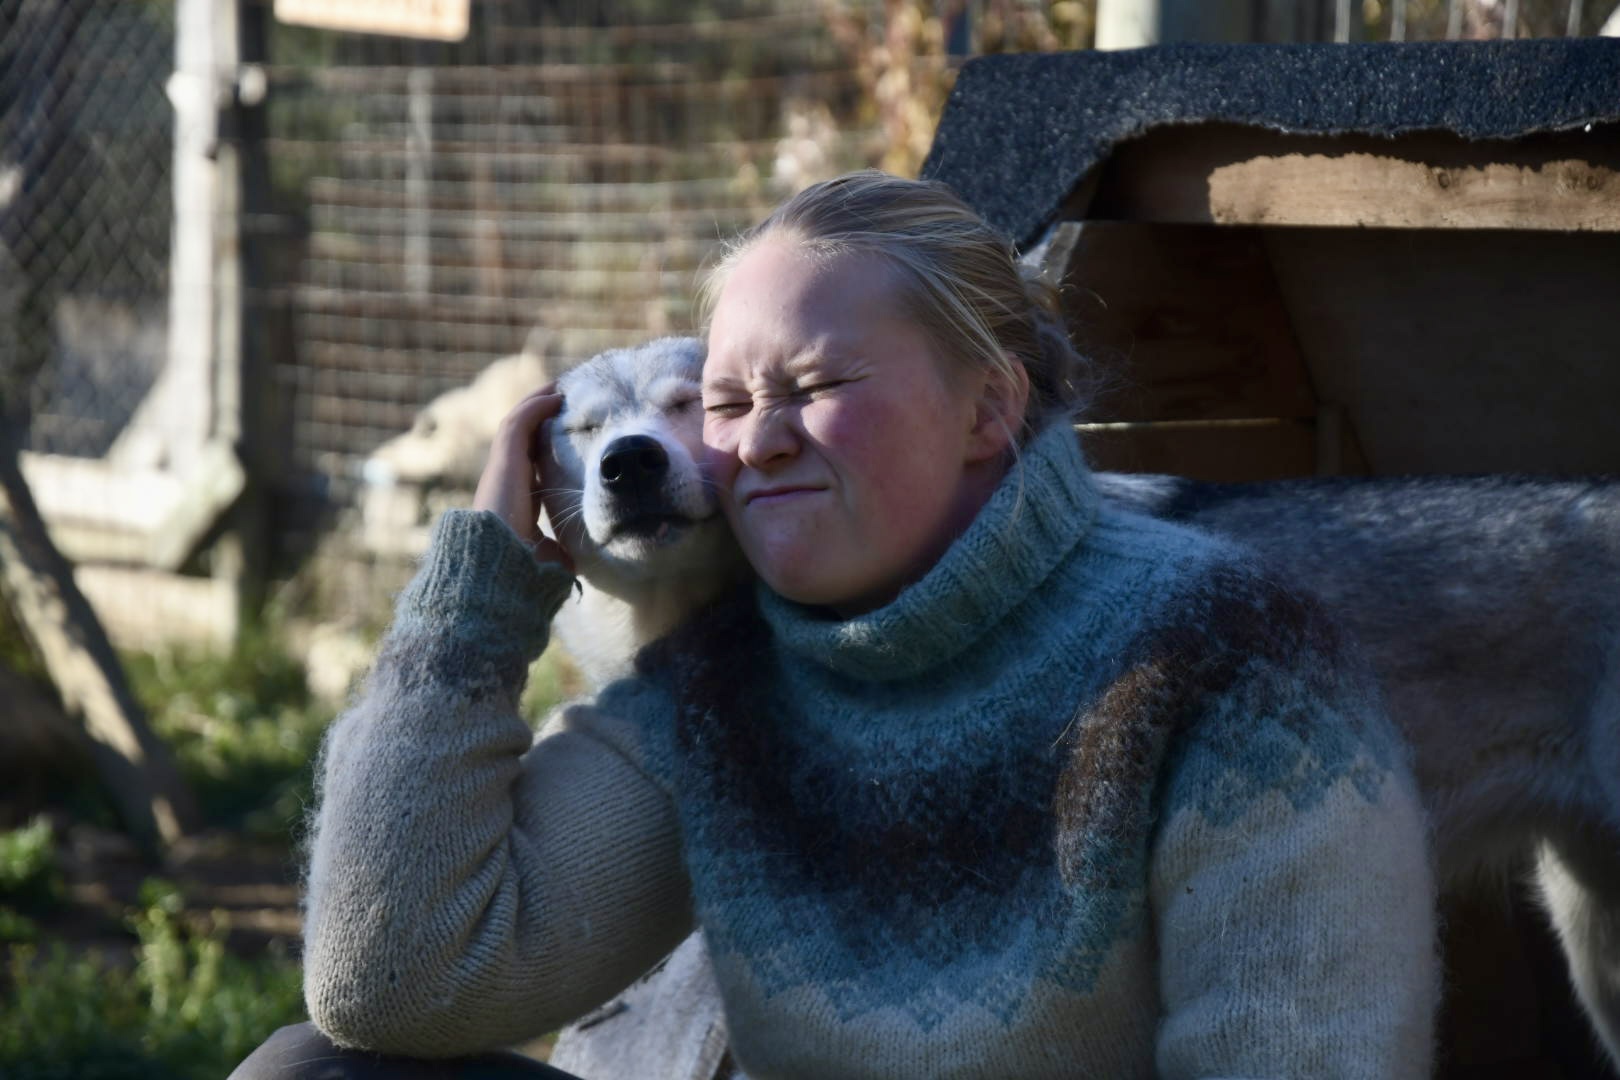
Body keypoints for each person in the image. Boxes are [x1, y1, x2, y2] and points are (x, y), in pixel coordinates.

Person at [234, 171, 1438, 1079]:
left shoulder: (1228, 657)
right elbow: (391, 982)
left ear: (987, 409)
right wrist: (478, 591)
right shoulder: (718, 687)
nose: (756, 441)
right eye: (727, 400)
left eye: (811, 389)